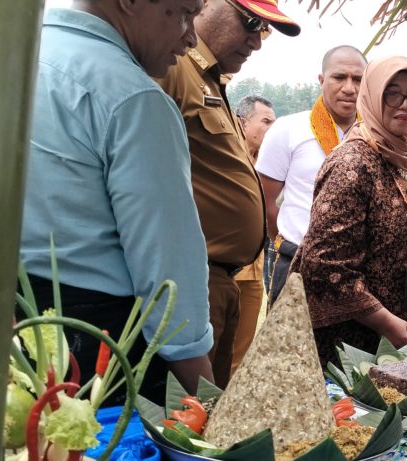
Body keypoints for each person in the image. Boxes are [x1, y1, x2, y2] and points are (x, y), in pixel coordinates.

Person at [19, 0, 213, 401]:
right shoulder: (132, 97)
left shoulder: (14, 59)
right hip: (98, 351)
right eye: (182, 12)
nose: (191, 36)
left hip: (11, 333)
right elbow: (168, 274)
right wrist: (205, 393)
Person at [154, 0, 298, 386]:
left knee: (213, 419)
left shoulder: (210, 78)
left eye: (263, 30)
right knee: (187, 419)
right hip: (191, 280)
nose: (256, 41)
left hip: (222, 283)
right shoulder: (173, 66)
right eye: (250, 22)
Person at [292, 56, 407, 367]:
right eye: (392, 92)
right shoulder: (352, 163)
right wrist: (384, 321)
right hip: (348, 348)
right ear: (372, 95)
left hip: (397, 341)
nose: (405, 104)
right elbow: (323, 263)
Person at [256, 45, 367, 305]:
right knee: (289, 345)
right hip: (296, 261)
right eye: (339, 77)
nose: (349, 88)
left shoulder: (375, 136)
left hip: (357, 270)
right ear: (321, 80)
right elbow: (264, 200)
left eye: (358, 79)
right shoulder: (288, 129)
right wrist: (288, 245)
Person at [229, 94, 276, 376]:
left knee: (242, 354)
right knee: (217, 348)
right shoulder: (227, 158)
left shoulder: (269, 166)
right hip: (227, 271)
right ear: (243, 124)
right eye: (266, 121)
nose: (272, 128)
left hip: (255, 272)